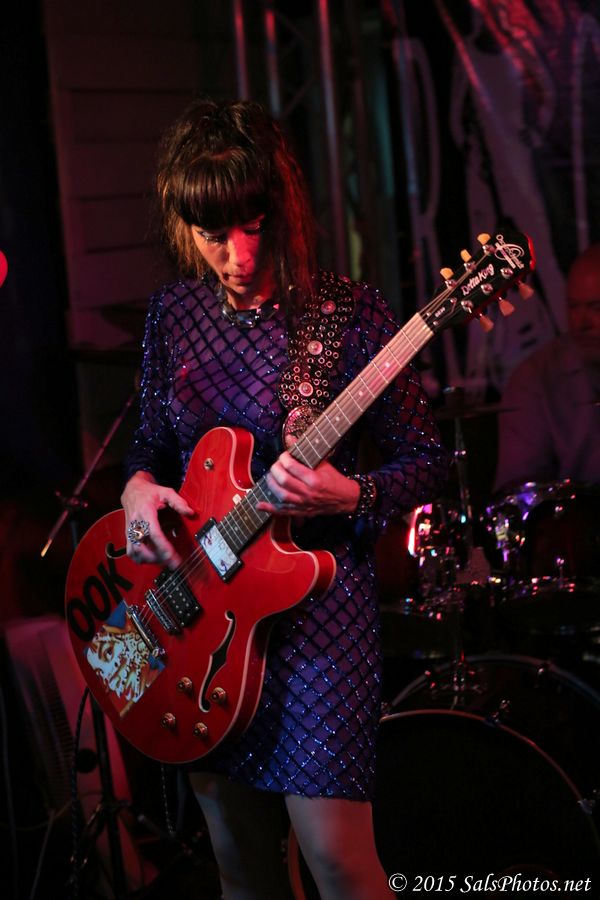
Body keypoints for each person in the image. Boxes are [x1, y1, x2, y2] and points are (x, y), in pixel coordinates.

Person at [121, 98, 449, 900]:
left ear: (282, 209)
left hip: (317, 623)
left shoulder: (348, 314)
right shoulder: (173, 315)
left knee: (338, 863)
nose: (236, 255)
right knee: (241, 868)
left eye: (252, 226)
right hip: (203, 609)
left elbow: (429, 461)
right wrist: (135, 493)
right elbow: (149, 448)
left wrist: (353, 493)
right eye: (212, 233)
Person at [495, 243, 600, 493]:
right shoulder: (535, 379)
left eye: (596, 308)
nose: (581, 322)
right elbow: (519, 494)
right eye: (573, 306)